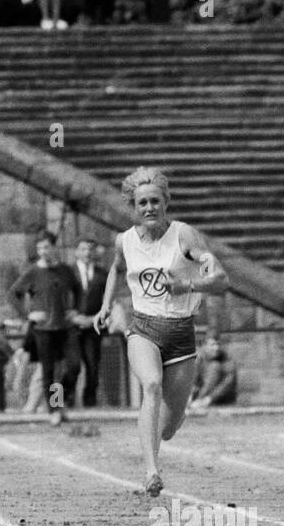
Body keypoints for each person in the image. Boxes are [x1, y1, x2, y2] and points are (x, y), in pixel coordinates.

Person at [95, 167, 229, 497]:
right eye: (142, 202)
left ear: (166, 202)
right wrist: (105, 305)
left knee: (169, 427)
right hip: (144, 327)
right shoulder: (123, 241)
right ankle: (151, 471)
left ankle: (162, 439)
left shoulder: (185, 236)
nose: (149, 208)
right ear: (133, 206)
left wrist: (189, 283)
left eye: (156, 201)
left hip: (182, 332)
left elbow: (220, 281)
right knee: (151, 385)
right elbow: (116, 269)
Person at [10, 231, 81, 425]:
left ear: (54, 247)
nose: (42, 251)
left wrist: (75, 310)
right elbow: (14, 294)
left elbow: (78, 290)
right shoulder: (33, 272)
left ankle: (59, 402)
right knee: (49, 371)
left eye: (46, 247)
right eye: (39, 247)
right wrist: (27, 315)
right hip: (43, 330)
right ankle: (54, 409)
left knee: (74, 365)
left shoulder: (65, 270)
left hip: (64, 328)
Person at [63, 237, 107, 407]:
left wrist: (95, 318)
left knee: (93, 369)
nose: (87, 253)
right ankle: (58, 403)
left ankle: (90, 406)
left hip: (92, 326)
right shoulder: (67, 272)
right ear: (76, 252)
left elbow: (108, 300)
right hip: (67, 328)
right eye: (83, 249)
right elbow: (60, 299)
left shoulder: (102, 274)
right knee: (68, 368)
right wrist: (72, 316)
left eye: (90, 249)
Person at [190, 331, 238, 410]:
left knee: (214, 366)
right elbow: (193, 380)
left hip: (222, 401)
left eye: (218, 344)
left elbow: (228, 384)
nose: (216, 348)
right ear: (205, 345)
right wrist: (190, 397)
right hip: (199, 399)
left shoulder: (227, 359)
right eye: (212, 345)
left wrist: (208, 399)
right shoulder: (198, 358)